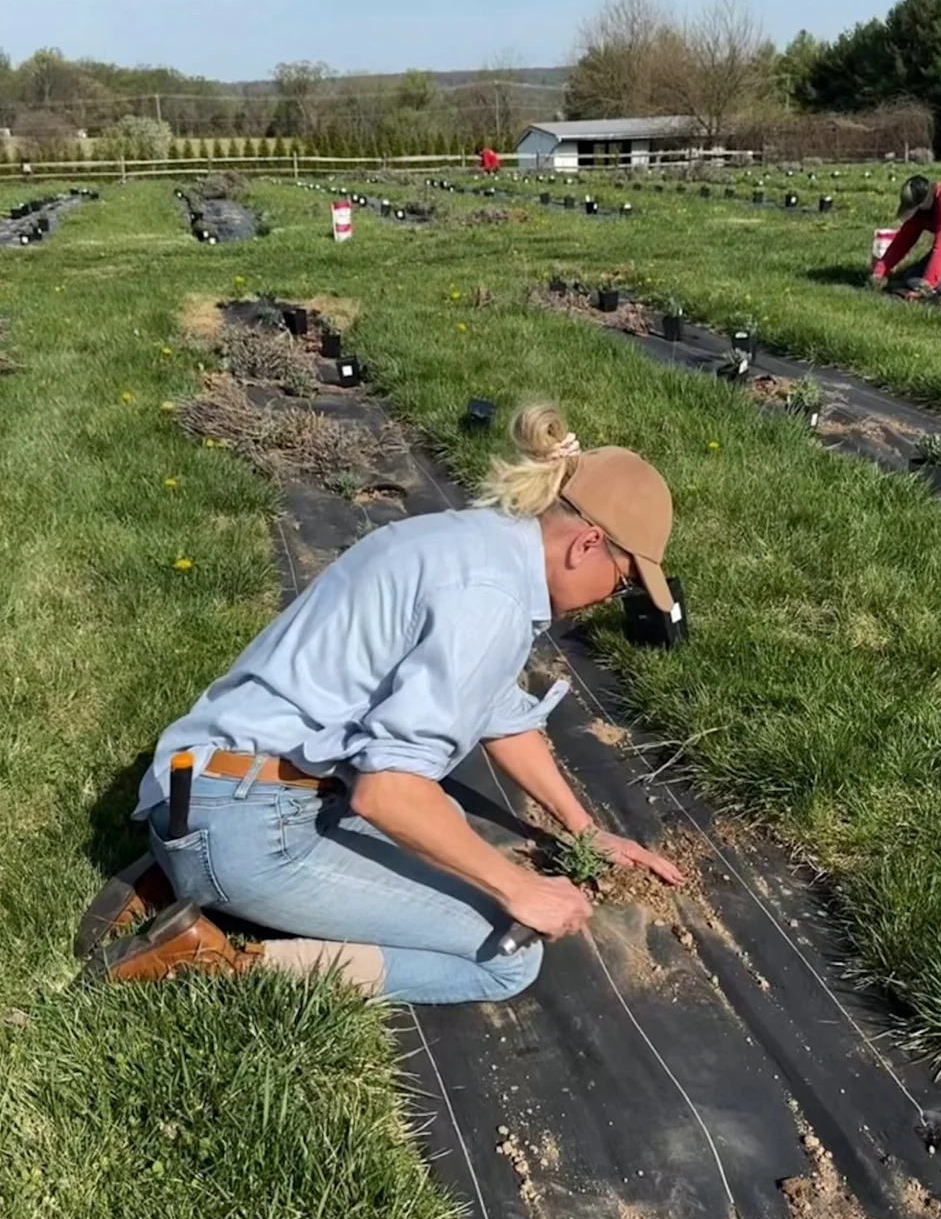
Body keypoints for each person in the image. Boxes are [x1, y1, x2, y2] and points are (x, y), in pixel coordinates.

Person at [93, 405, 683, 1003]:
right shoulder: (491, 600)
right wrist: (518, 890)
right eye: (625, 581)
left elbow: (497, 714)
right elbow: (387, 793)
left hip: (209, 785)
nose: (614, 598)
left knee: (451, 828)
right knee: (508, 954)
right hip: (251, 823)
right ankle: (216, 959)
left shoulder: (479, 543)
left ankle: (180, 870)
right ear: (587, 544)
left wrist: (584, 831)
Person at [871, 175, 941, 298]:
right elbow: (902, 242)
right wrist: (879, 272)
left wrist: (925, 288)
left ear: (924, 202)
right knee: (911, 277)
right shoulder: (921, 212)